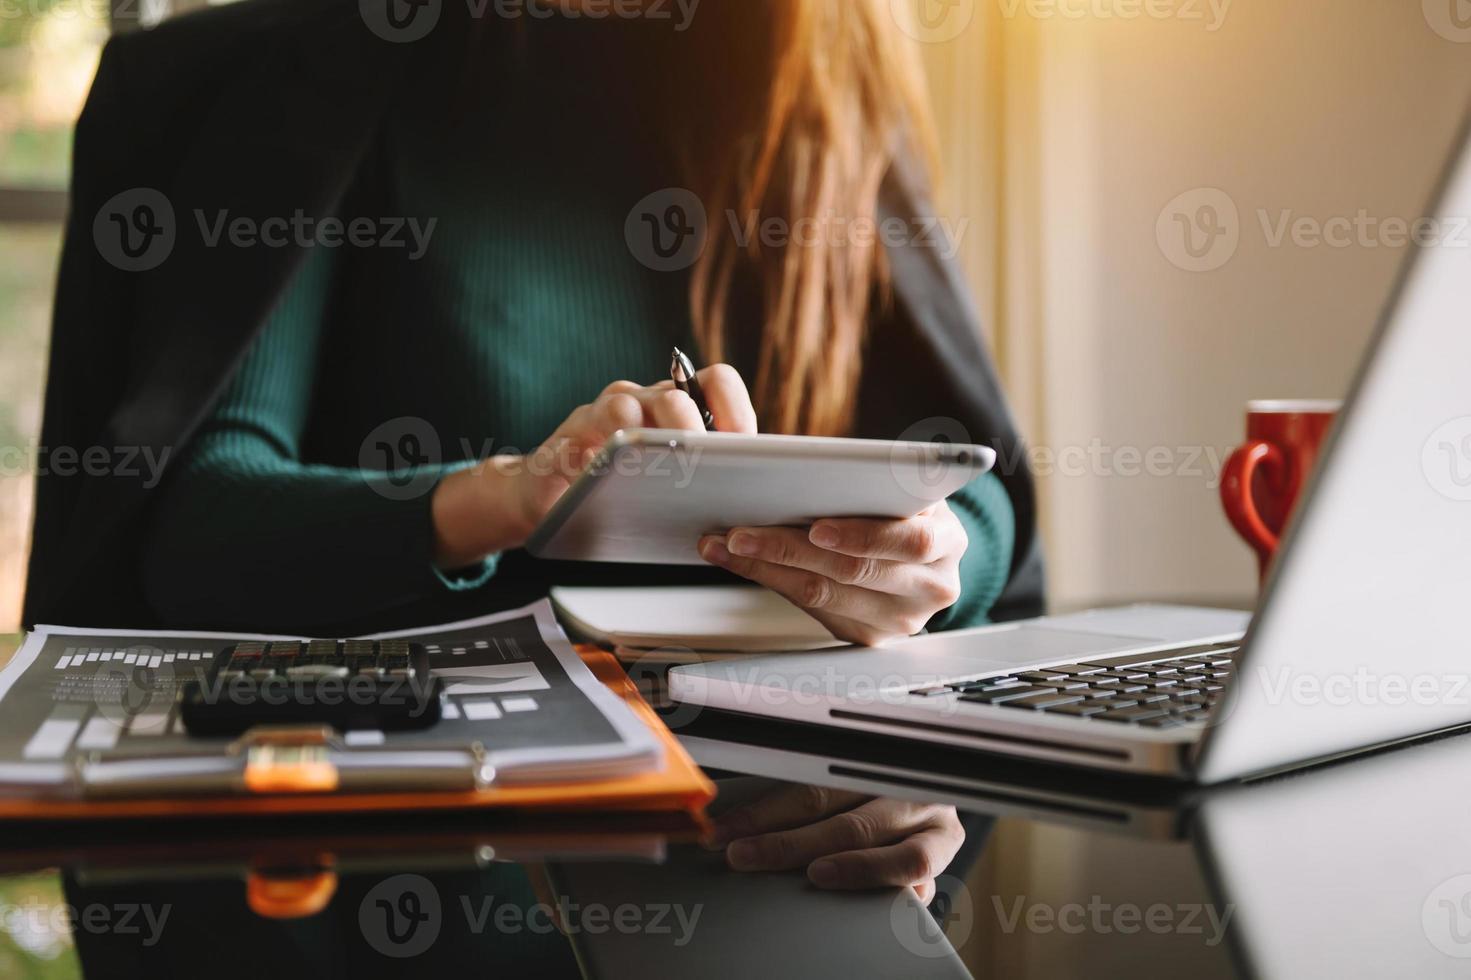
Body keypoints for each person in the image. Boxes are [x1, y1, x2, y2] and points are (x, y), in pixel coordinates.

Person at [25, 0, 1040, 896]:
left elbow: (978, 484)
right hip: (429, 842)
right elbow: (199, 525)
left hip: (787, 828)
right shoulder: (317, 73)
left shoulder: (818, 88)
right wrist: (514, 493)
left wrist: (928, 553)